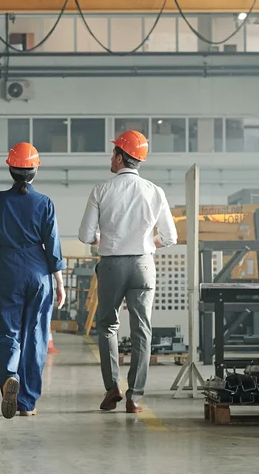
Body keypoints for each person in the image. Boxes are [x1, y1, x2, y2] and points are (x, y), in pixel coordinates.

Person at [79, 130, 176, 414]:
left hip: (111, 265)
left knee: (108, 326)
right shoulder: (155, 191)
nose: (111, 158)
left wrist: (104, 239)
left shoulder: (101, 190)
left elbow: (86, 235)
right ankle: (135, 397)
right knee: (142, 331)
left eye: (113, 154)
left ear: (121, 157)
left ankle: (113, 388)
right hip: (144, 265)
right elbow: (170, 236)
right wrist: (147, 243)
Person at [0, 142, 66, 420]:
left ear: (10, 168)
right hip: (38, 272)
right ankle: (27, 402)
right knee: (36, 335)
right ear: (35, 170)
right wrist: (60, 283)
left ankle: (8, 377)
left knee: (6, 330)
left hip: (6, 268)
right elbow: (53, 247)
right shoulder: (44, 203)